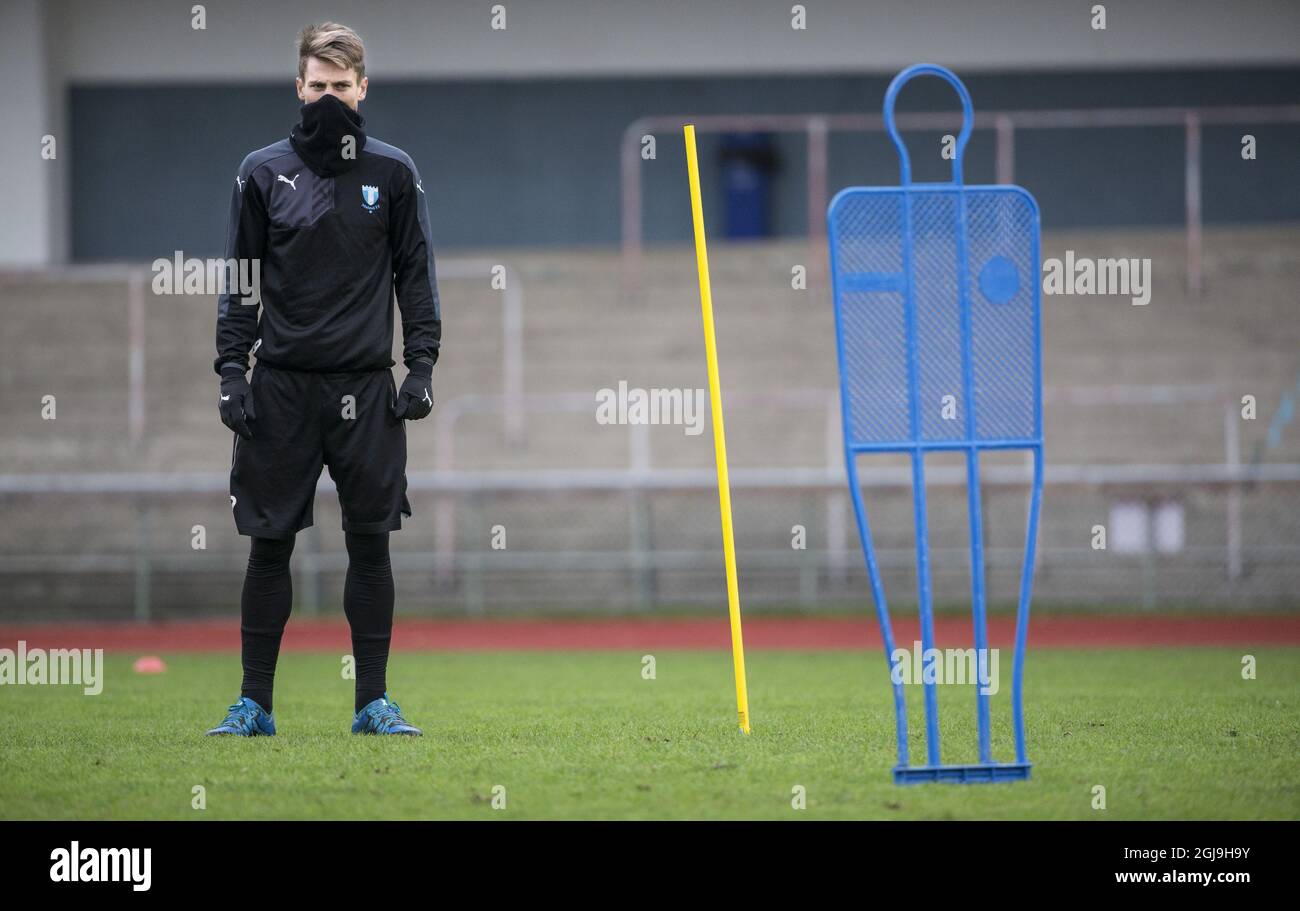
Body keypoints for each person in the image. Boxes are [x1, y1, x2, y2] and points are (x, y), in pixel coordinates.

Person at [206, 22, 440, 737]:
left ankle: (372, 702)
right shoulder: (261, 171)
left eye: (341, 86)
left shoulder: (393, 173)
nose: (329, 97)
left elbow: (415, 274)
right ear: (298, 88)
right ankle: (255, 706)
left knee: (370, 542)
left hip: (367, 388)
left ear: (362, 89)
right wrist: (230, 371)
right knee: (268, 543)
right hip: (280, 386)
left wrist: (421, 363)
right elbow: (240, 281)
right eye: (318, 85)